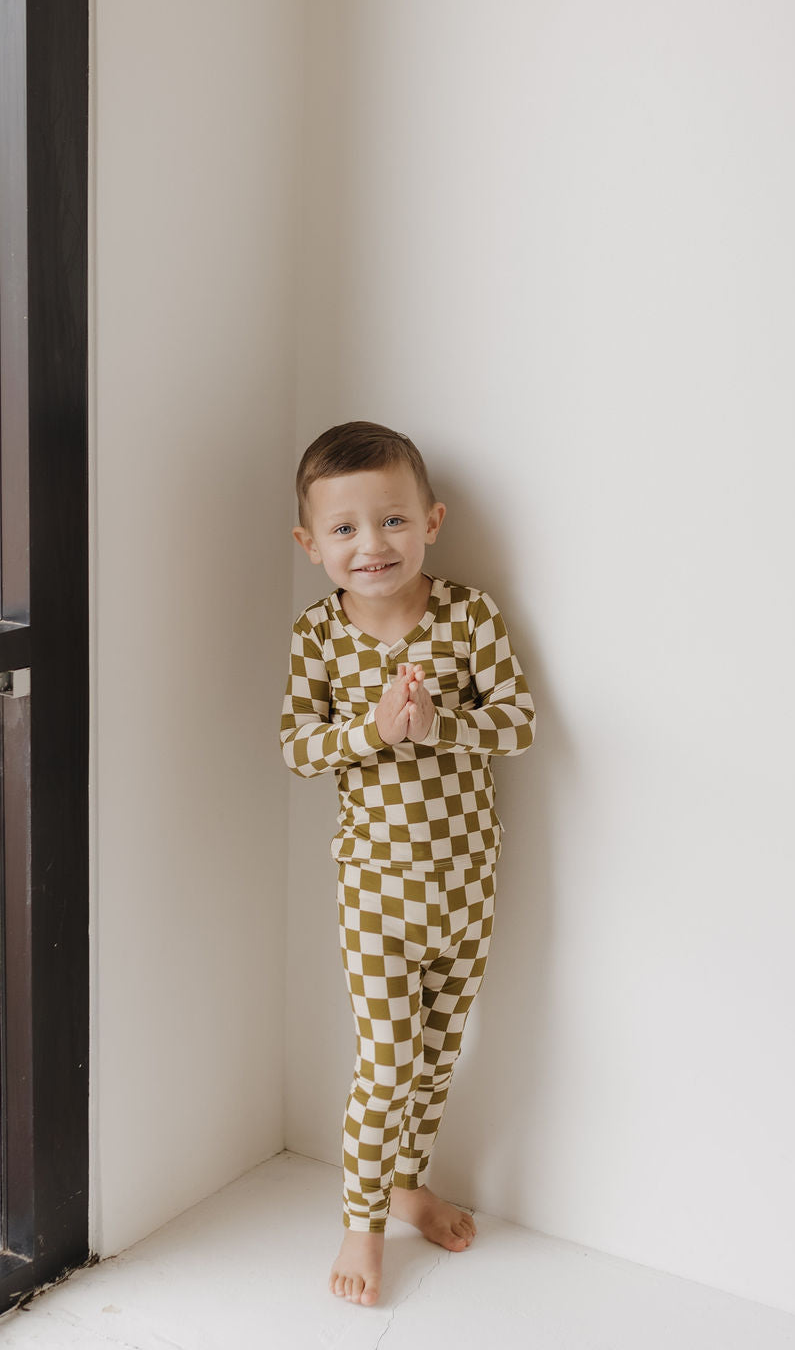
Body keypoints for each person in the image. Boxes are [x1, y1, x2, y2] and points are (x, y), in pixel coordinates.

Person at [280, 420, 536, 1307]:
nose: (371, 545)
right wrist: (374, 732)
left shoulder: (469, 616)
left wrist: (443, 725)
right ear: (312, 546)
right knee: (386, 1060)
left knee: (438, 1055)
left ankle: (409, 1181)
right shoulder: (318, 636)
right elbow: (298, 748)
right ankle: (362, 1221)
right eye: (345, 530)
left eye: (390, 521)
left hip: (467, 882)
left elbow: (520, 723)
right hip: (376, 891)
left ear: (430, 521)